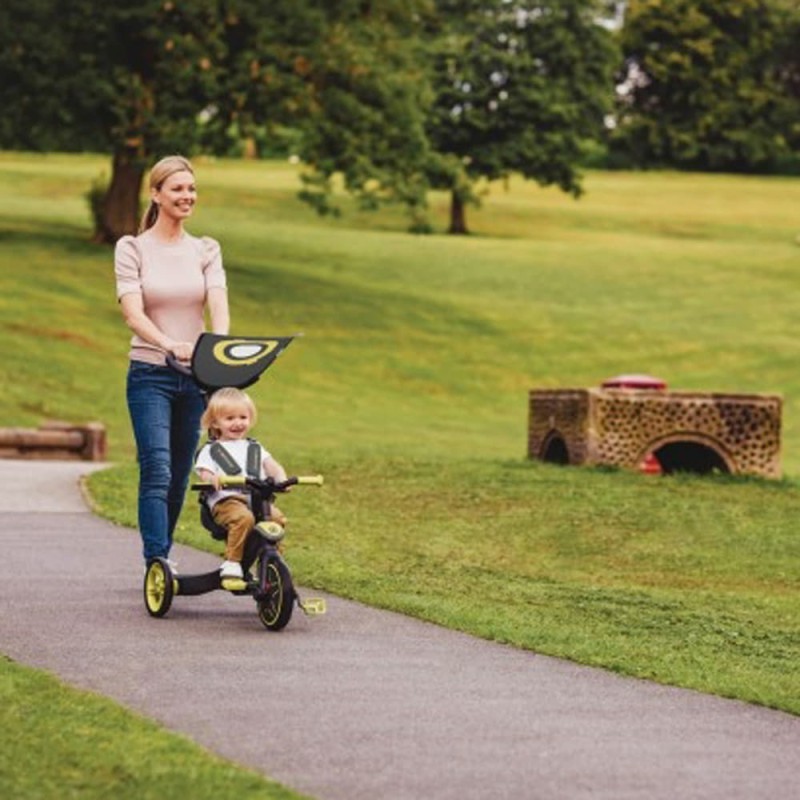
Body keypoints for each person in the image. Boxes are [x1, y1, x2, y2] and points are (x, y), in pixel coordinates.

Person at [114, 154, 230, 569]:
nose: (187, 196)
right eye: (178, 189)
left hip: (194, 376)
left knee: (181, 472)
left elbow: (218, 303)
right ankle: (157, 562)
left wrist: (218, 351)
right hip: (150, 374)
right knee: (158, 468)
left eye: (192, 189)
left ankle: (161, 555)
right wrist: (169, 343)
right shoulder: (132, 248)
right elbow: (133, 313)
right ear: (156, 194)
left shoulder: (205, 249)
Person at [194, 387, 288, 581]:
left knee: (276, 519)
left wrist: (282, 479)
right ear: (215, 422)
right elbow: (204, 472)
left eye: (243, 417)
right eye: (230, 419)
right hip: (226, 501)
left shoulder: (254, 447)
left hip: (256, 500)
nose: (237, 423)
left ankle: (272, 562)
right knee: (243, 518)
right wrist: (213, 479)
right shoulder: (211, 450)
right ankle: (233, 562)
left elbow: (272, 466)